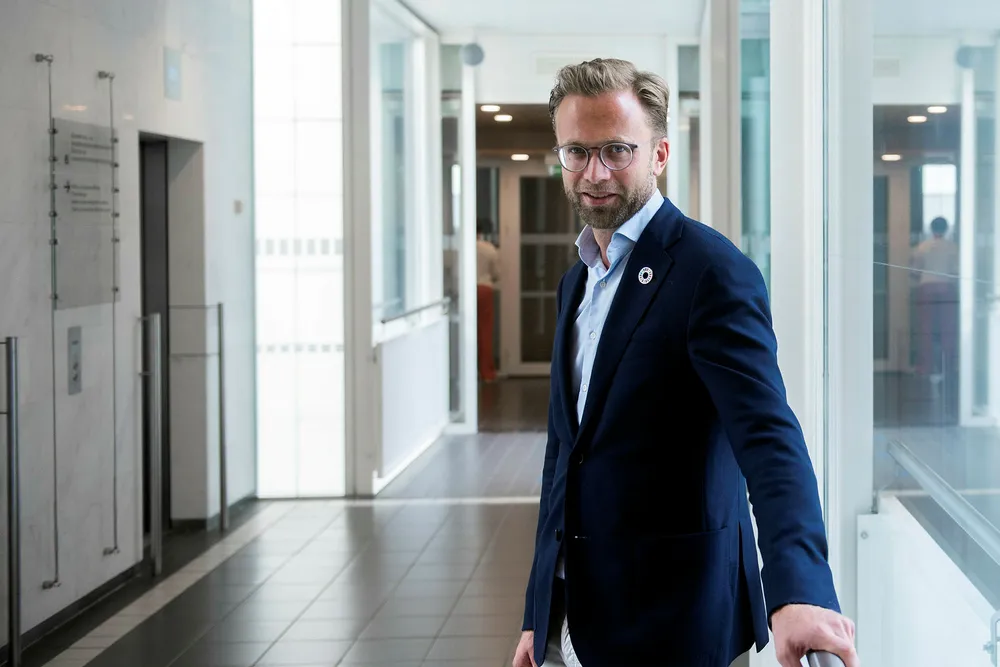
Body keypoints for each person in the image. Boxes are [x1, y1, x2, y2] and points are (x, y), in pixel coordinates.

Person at [513, 58, 859, 667]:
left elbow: (769, 438)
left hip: (674, 613)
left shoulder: (710, 272)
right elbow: (565, 453)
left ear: (660, 154)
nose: (594, 172)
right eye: (576, 152)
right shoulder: (577, 282)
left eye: (617, 150)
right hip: (579, 613)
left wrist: (799, 588)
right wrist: (538, 614)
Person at [910, 216, 959, 377]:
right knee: (948, 329)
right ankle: (948, 367)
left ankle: (926, 367)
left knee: (926, 329)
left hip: (926, 288)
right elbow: (956, 272)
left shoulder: (922, 247)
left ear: (931, 229)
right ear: (946, 229)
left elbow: (915, 272)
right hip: (947, 288)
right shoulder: (953, 248)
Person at [477, 217, 501, 382]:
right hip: (485, 289)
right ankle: (486, 373)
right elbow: (496, 274)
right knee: (485, 332)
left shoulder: (462, 247)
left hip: (466, 292)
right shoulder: (489, 249)